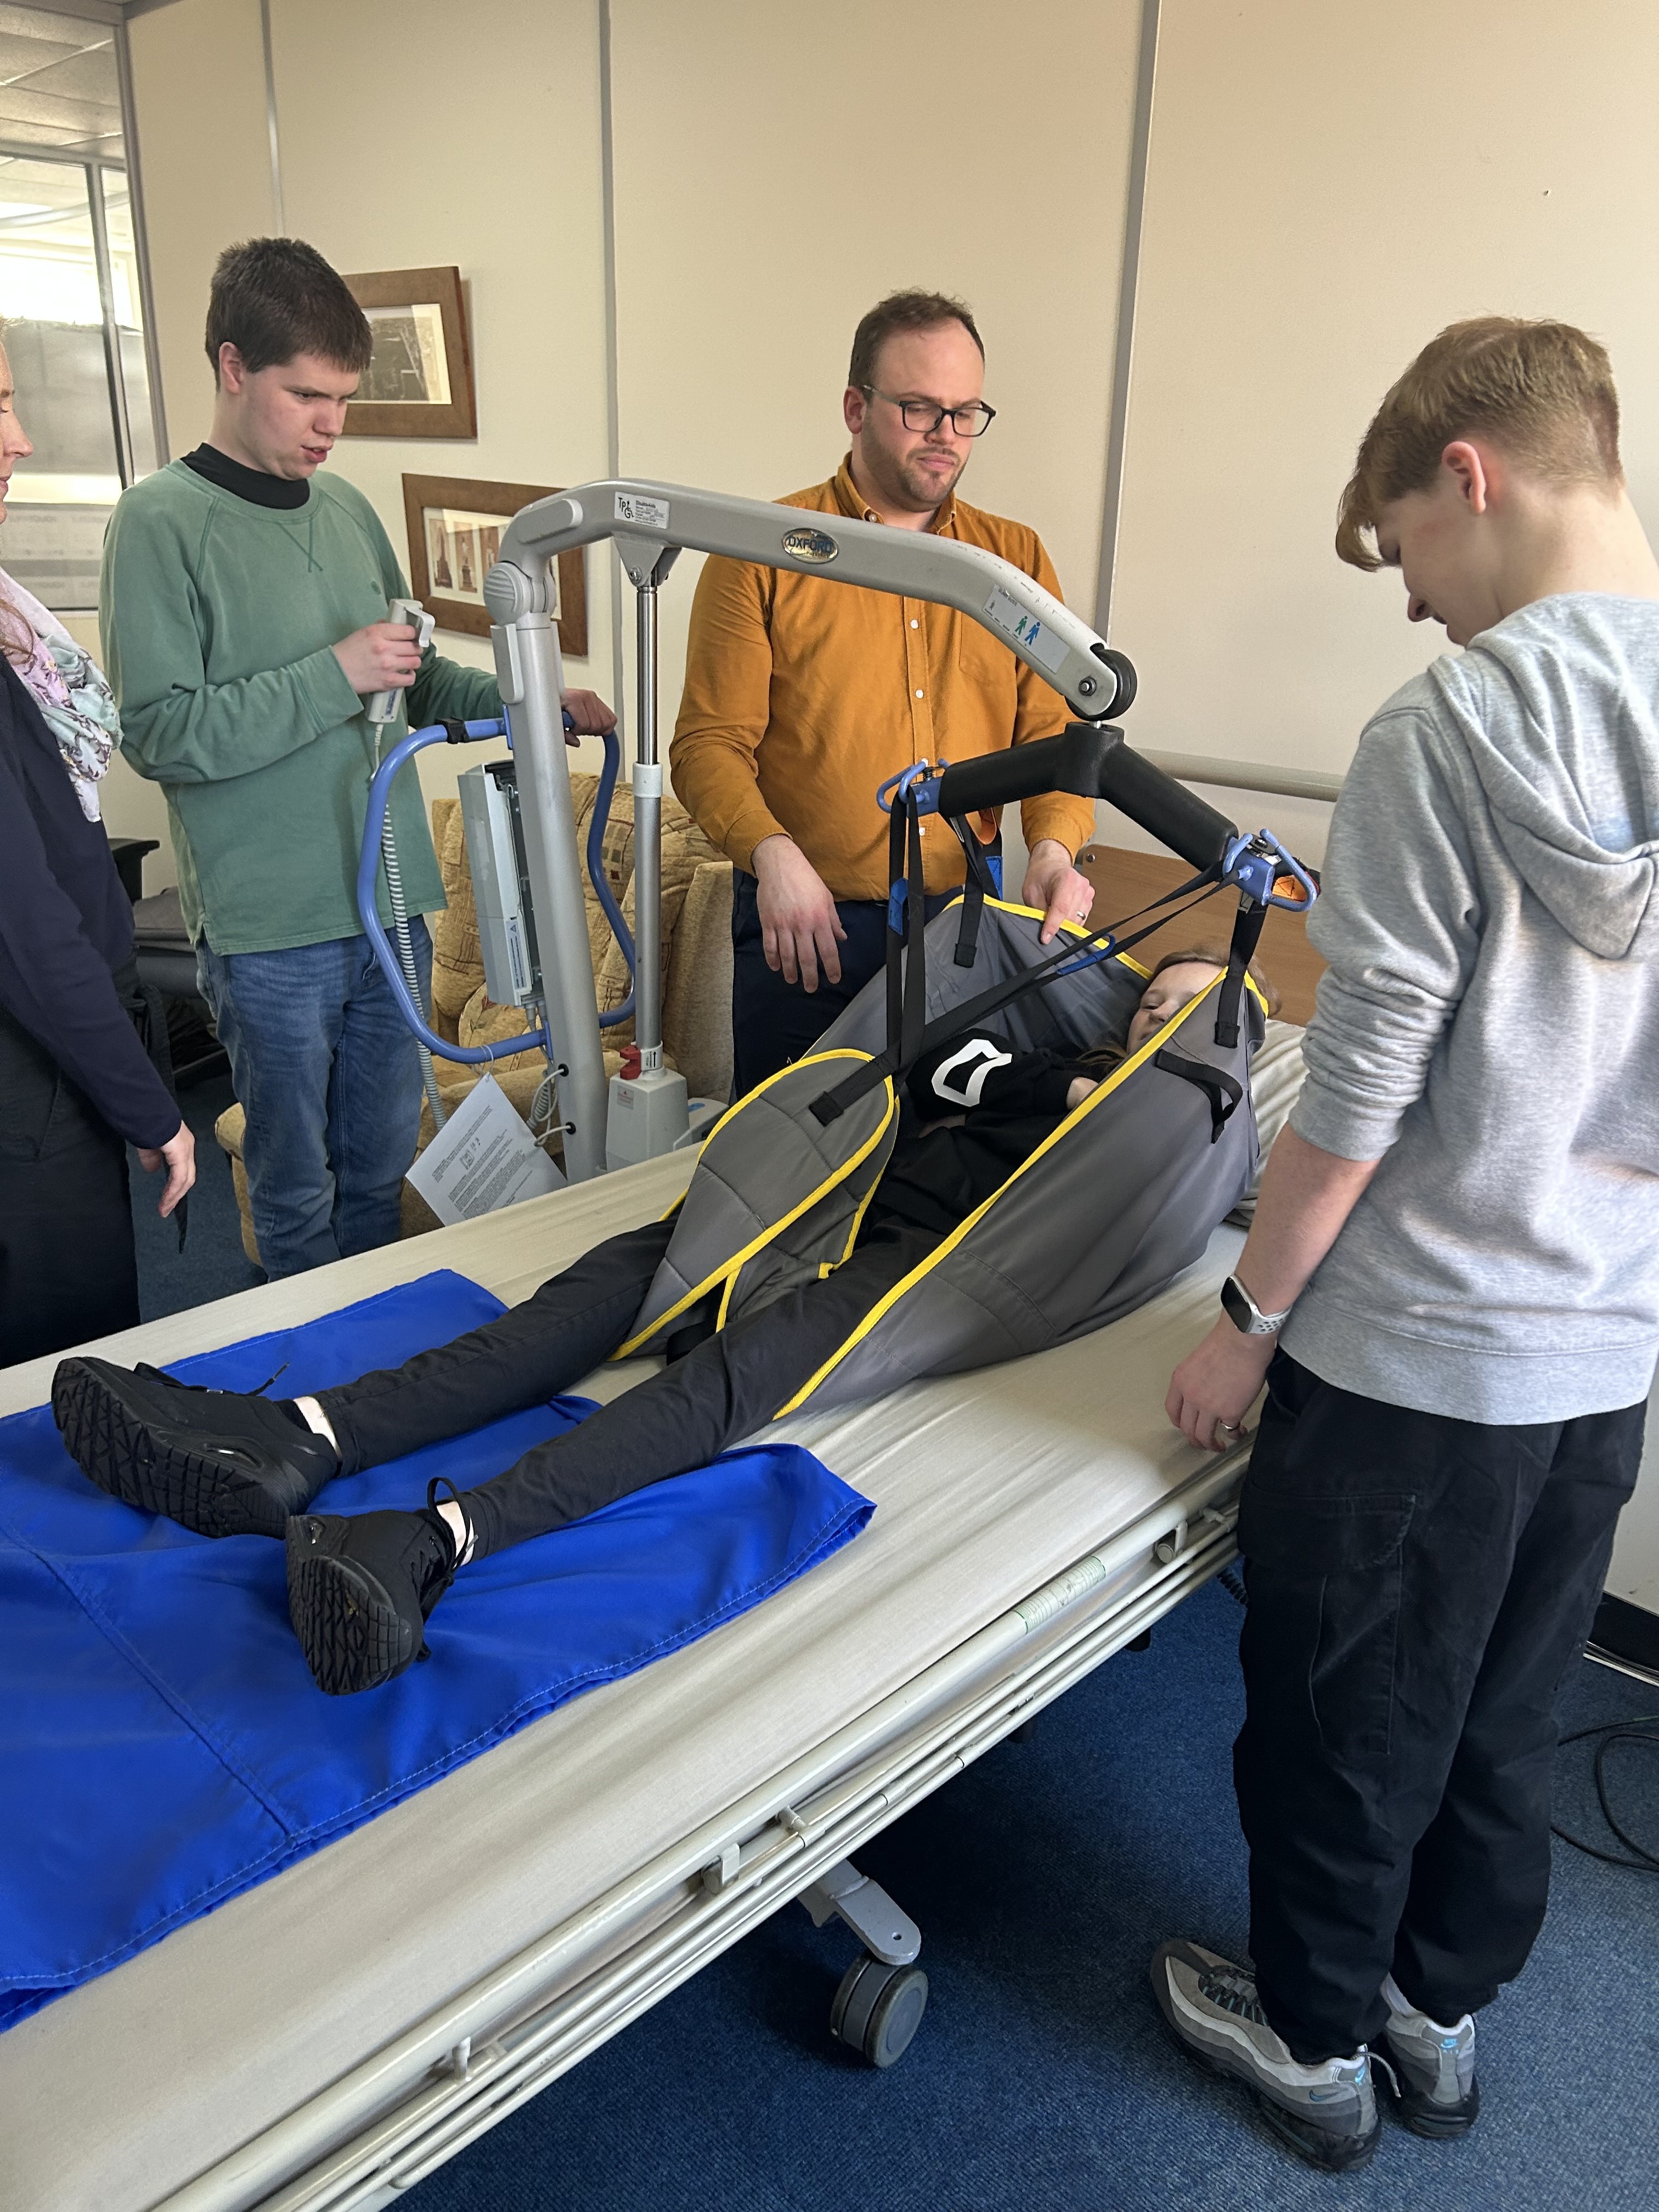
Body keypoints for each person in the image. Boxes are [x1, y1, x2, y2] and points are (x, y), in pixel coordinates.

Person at [1150, 318, 1659, 2173]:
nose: (1416, 609)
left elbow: (1356, 1085)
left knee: (1346, 1721)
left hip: (1408, 1369)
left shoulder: (1448, 729)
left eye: (1405, 558)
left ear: (1470, 475)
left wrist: (1248, 1314)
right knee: (1505, 1718)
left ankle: (1304, 2042)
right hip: (1601, 1355)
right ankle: (1432, 2015)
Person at [50, 952, 1261, 1696]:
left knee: (721, 1390)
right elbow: (933, 1060)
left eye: (1185, 1012)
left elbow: (1241, 1186)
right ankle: (294, 1439)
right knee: (578, 1305)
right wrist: (1064, 1077)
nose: (1156, 1015)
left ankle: (427, 1546)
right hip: (806, 1201)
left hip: (899, 1275)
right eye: (1151, 994)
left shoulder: (1177, 1143)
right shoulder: (1042, 1046)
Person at [101, 238, 614, 1280]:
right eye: (306, 396)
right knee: (298, 1191)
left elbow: (412, 678)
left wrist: (528, 703)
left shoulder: (344, 510)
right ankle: (301, 1397)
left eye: (342, 398)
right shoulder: (160, 524)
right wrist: (331, 675)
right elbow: (158, 731)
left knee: (381, 1174)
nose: (331, 425)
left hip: (390, 910)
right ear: (233, 367)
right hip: (269, 931)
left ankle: (371, 1387)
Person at [670, 289, 1098, 1098]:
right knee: (794, 1177)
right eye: (919, 409)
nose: (946, 437)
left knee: (950, 1169)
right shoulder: (762, 550)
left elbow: (1055, 738)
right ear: (855, 407)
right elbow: (706, 746)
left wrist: (1053, 848)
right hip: (808, 927)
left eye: (966, 412)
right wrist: (774, 858)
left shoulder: (1012, 559)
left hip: (965, 928)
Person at [0, 343, 194, 1363]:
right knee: (61, 1379)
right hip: (26, 1086)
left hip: (50, 1055)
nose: (22, 438)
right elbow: (25, 924)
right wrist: (147, 1106)